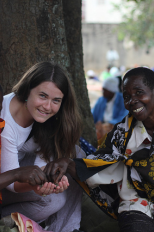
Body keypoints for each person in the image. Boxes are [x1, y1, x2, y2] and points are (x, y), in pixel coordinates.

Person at [44, 66, 154, 232]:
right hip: (137, 203)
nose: (132, 101)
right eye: (126, 96)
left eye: (139, 92)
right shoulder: (122, 132)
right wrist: (68, 163)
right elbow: (99, 162)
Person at [1, 61, 83, 232]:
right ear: (27, 90)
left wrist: (49, 182)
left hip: (18, 174)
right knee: (52, 201)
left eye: (56, 100)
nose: (47, 106)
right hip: (6, 182)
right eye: (43, 96)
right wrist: (34, 183)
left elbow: (39, 170)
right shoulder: (5, 120)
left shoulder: (47, 120)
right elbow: (12, 182)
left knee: (74, 158)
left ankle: (68, 229)